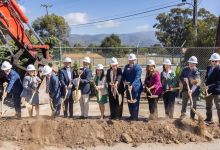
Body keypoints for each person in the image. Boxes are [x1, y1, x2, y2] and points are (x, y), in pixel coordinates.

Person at [122, 53, 142, 120]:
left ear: (135, 60)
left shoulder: (138, 68)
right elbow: (123, 75)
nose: (131, 61)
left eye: (133, 60)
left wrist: (132, 85)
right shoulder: (126, 67)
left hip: (136, 88)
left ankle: (135, 117)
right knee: (129, 101)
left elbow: (137, 78)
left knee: (135, 102)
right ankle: (131, 116)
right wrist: (124, 81)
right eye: (130, 60)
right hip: (128, 87)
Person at [204, 53, 220, 125]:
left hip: (216, 90)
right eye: (212, 61)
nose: (214, 62)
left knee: (218, 106)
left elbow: (218, 82)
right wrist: (205, 82)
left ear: (218, 61)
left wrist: (209, 86)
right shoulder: (208, 68)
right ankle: (209, 119)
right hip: (208, 90)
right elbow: (207, 77)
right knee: (208, 106)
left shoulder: (219, 69)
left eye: (215, 61)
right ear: (210, 61)